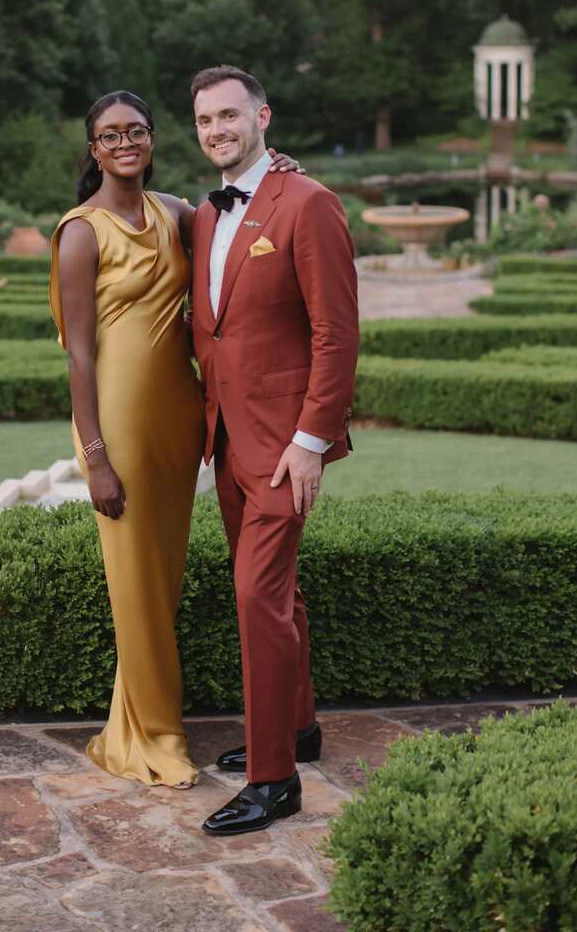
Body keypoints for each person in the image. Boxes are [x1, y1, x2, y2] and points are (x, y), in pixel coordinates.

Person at [48, 90, 301, 788]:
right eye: (109, 135)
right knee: (133, 579)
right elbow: (79, 354)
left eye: (136, 131)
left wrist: (280, 172)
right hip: (120, 425)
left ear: (153, 138)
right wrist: (93, 456)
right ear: (93, 149)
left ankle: (142, 714)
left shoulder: (178, 214)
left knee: (161, 580)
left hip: (180, 419)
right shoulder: (80, 231)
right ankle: (150, 734)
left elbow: (244, 218)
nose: (124, 143)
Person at [188, 65, 359, 836]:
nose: (217, 130)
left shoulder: (309, 203)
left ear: (261, 115)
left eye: (229, 115)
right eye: (204, 121)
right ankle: (297, 730)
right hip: (226, 440)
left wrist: (311, 441)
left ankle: (273, 780)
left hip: (286, 447)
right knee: (277, 595)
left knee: (258, 596)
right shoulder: (202, 214)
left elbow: (336, 333)